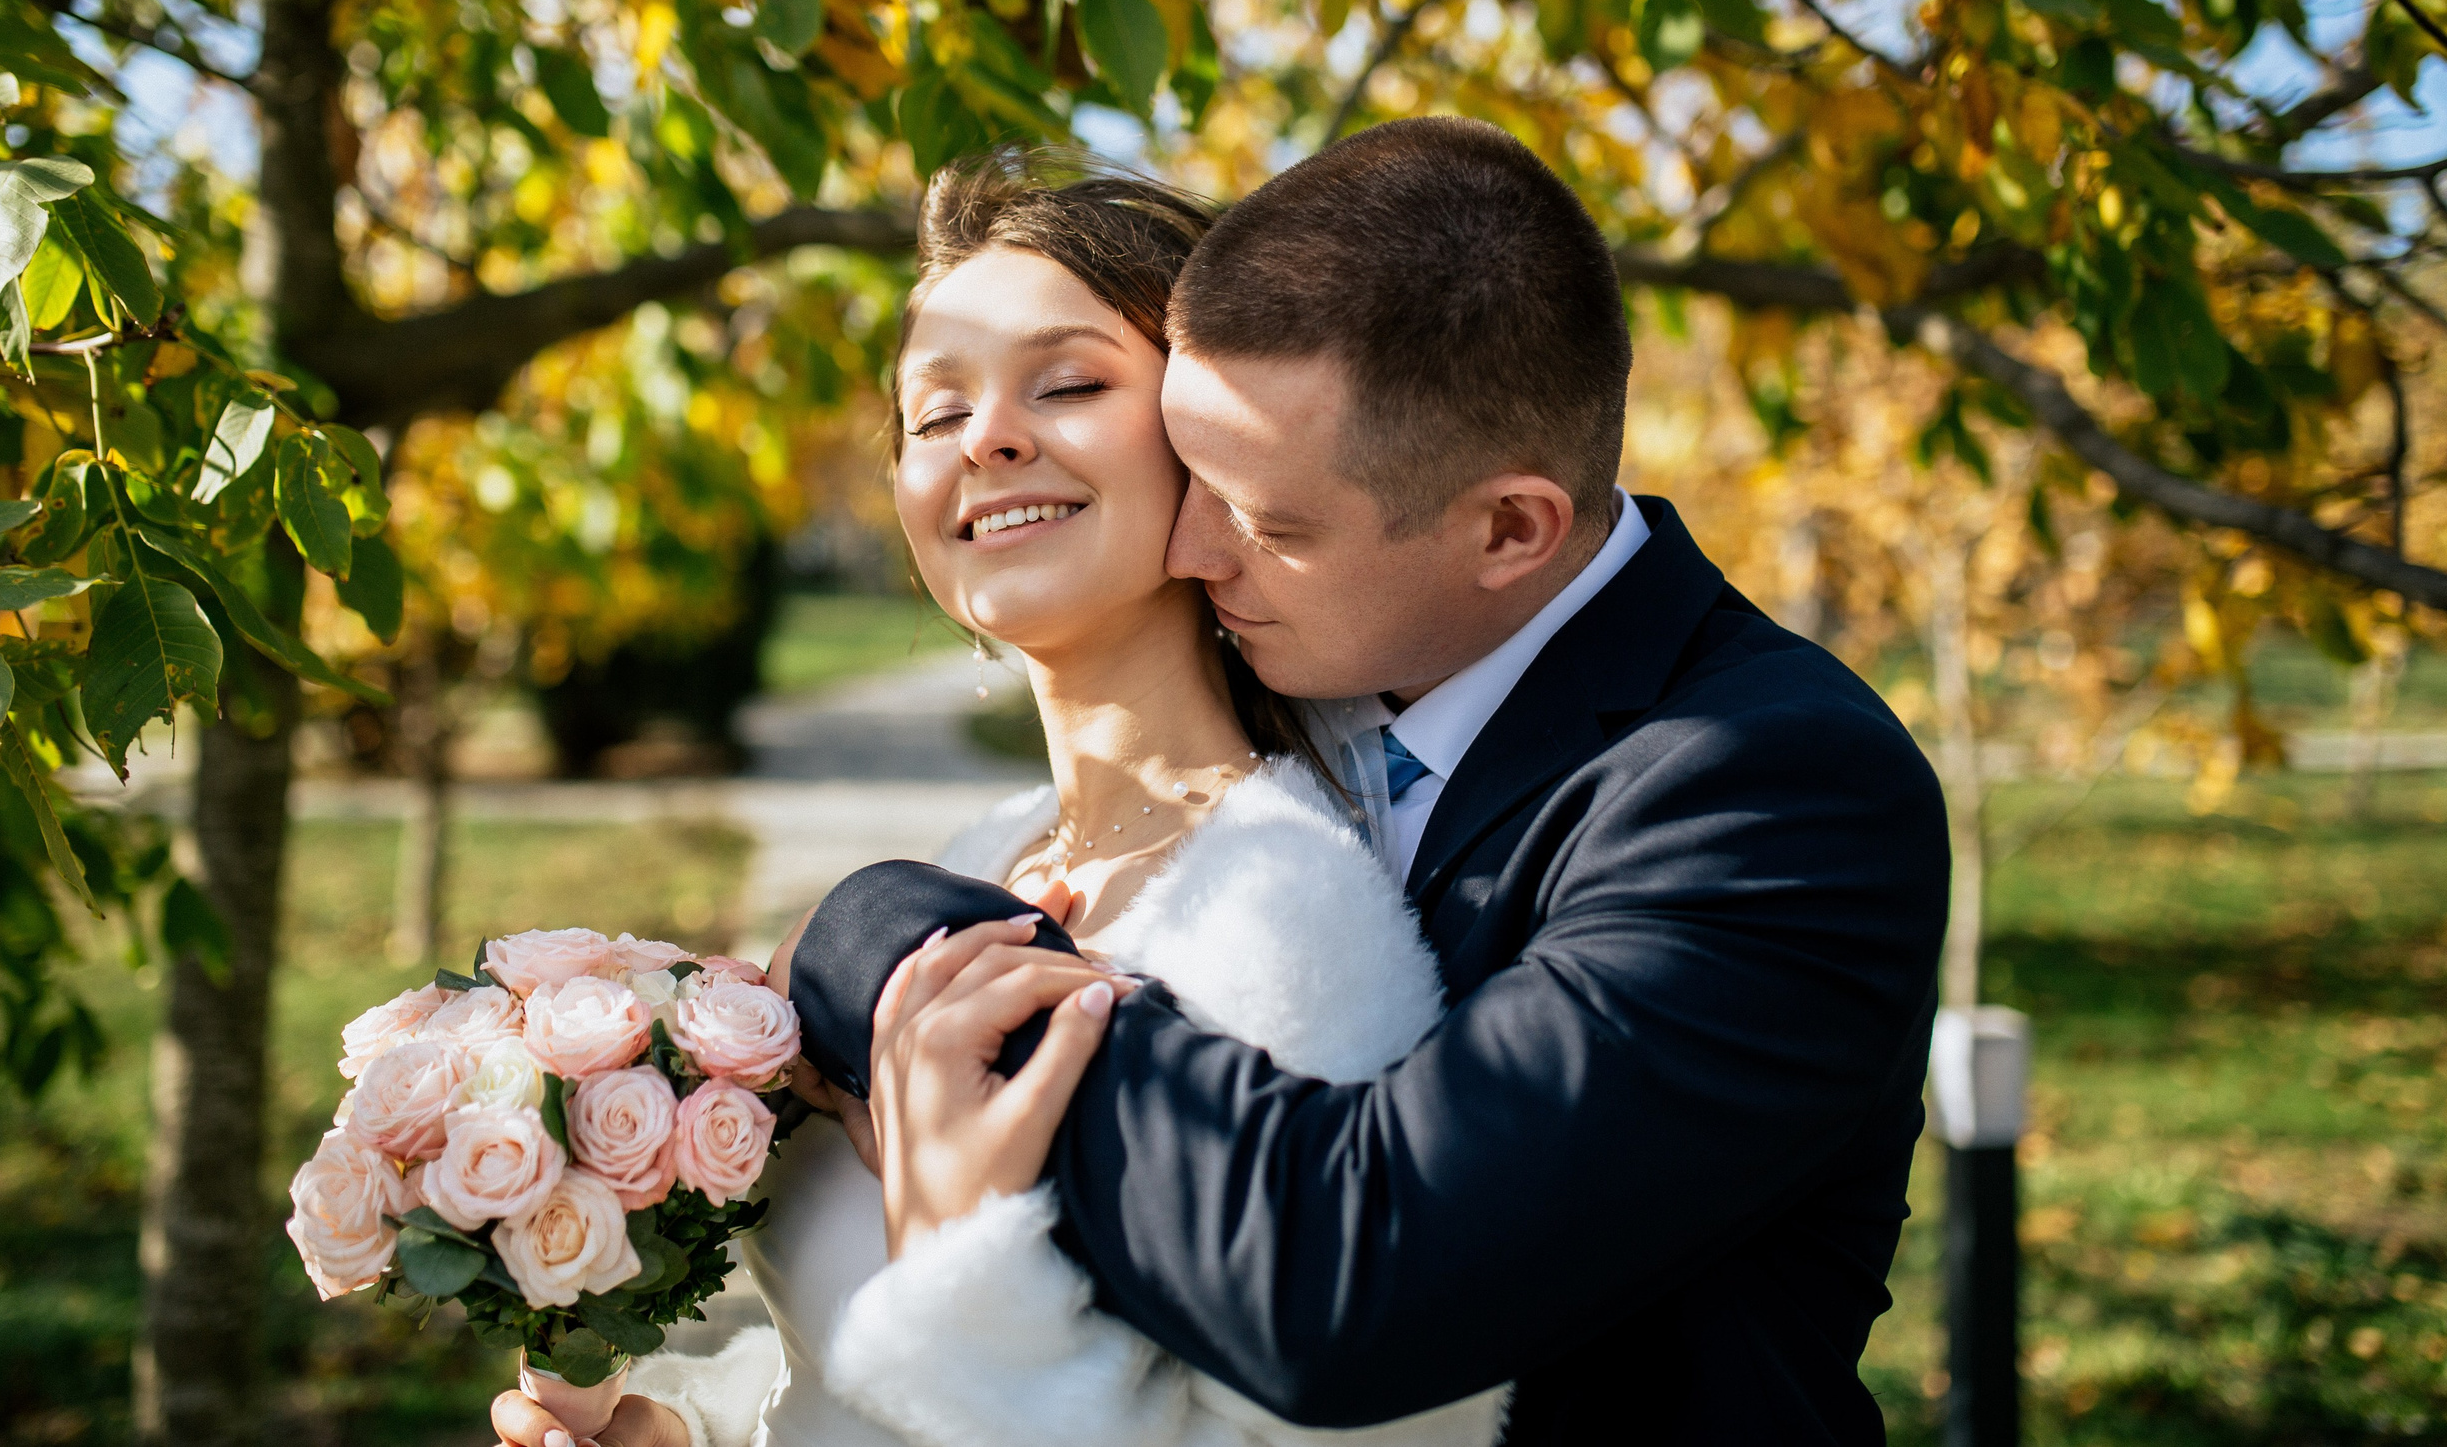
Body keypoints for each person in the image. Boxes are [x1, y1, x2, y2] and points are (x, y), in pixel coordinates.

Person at [775, 117, 1950, 1443]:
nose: (1202, 541)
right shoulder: (1112, 801)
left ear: (1509, 528)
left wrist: (884, 939)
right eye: (933, 409)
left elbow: (1350, 1278)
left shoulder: (1764, 789)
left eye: (1263, 512)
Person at [491, 149, 1509, 1447]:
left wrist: (961, 1269)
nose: (989, 437)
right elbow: (837, 1374)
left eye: (1071, 382)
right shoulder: (972, 859)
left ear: (1219, 439)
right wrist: (679, 1429)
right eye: (933, 413)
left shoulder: (1291, 920)